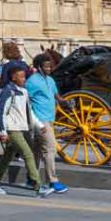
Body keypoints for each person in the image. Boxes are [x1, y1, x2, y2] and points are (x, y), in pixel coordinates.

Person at [0, 66, 52, 197]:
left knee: (8, 155)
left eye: (24, 76)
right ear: (13, 78)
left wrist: (39, 125)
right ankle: (37, 185)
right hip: (12, 129)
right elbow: (0, 112)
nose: (24, 79)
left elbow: (28, 112)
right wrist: (2, 132)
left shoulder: (24, 92)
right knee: (28, 153)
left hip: (23, 128)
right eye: (21, 77)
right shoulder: (7, 91)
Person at [27, 53, 67, 194]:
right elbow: (26, 100)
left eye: (50, 66)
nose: (49, 68)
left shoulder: (50, 80)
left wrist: (65, 102)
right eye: (46, 66)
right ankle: (53, 180)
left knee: (37, 151)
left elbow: (56, 96)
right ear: (39, 67)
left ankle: (32, 178)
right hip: (40, 120)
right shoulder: (32, 81)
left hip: (50, 119)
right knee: (50, 149)